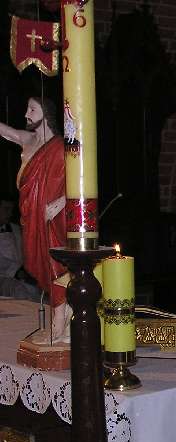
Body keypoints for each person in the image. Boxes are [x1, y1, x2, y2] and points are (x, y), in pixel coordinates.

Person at [0, 97, 68, 340]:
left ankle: (60, 323)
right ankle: (61, 320)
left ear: (46, 113)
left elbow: (79, 181)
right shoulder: (29, 140)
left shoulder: (61, 146)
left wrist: (62, 202)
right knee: (42, 267)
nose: (26, 114)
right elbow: (6, 132)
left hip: (54, 219)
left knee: (56, 266)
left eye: (32, 109)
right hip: (32, 217)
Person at [0, 197, 40, 301]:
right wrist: (17, 271)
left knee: (38, 293)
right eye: (6, 209)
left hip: (21, 276)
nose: (10, 213)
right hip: (3, 277)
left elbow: (26, 252)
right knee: (19, 292)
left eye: (11, 210)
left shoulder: (16, 229)